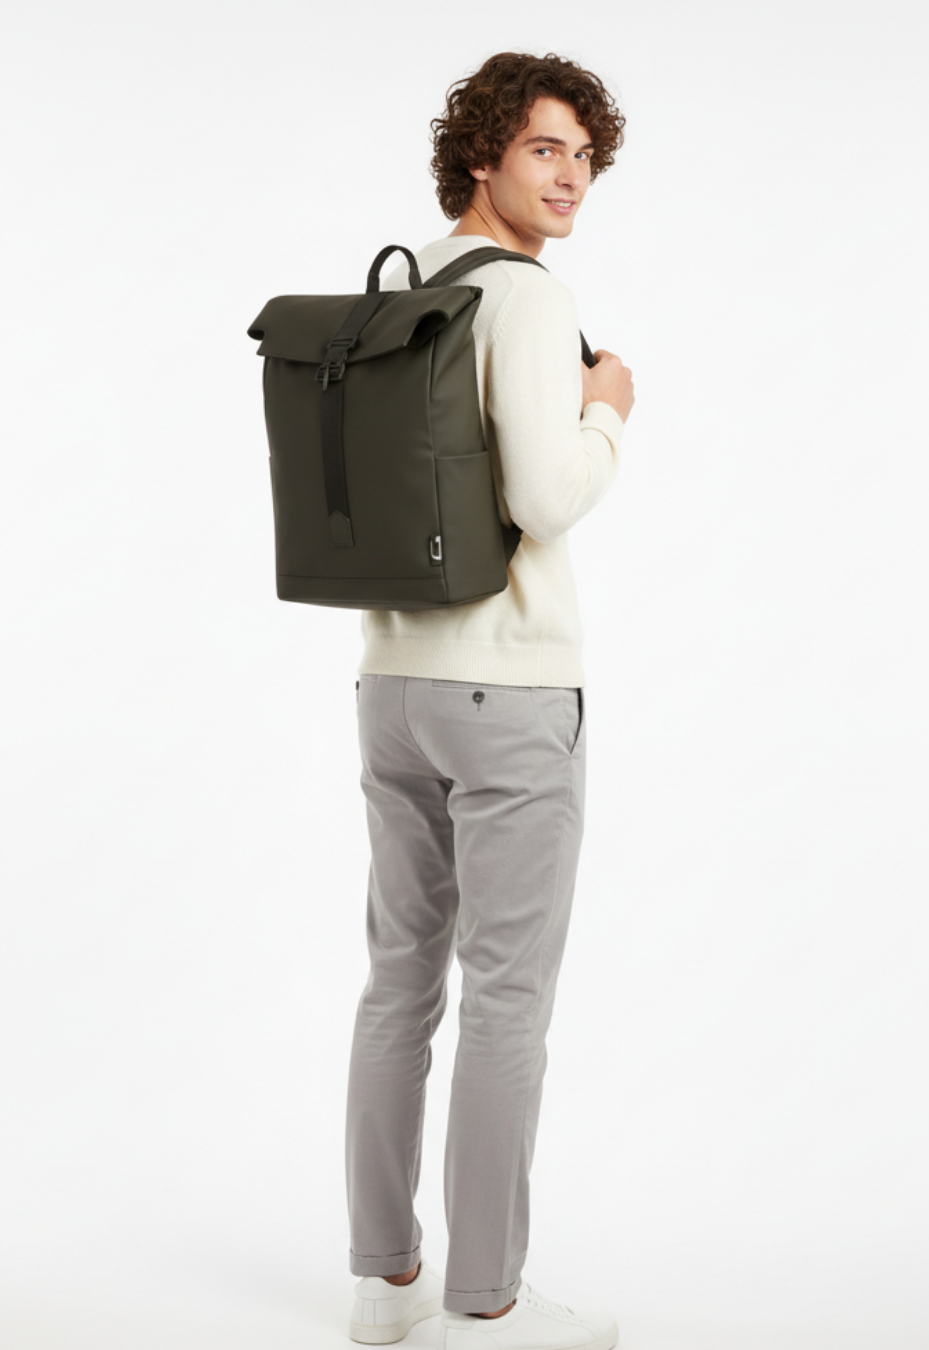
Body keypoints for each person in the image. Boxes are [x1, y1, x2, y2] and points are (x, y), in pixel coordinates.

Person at [345, 51, 634, 1350]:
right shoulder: (522, 295)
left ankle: (384, 1283)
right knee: (506, 1000)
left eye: (584, 156)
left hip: (393, 681)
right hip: (508, 690)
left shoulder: (408, 281)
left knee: (398, 985)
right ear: (483, 155)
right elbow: (544, 497)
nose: (570, 178)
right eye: (544, 149)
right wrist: (608, 410)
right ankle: (488, 1304)